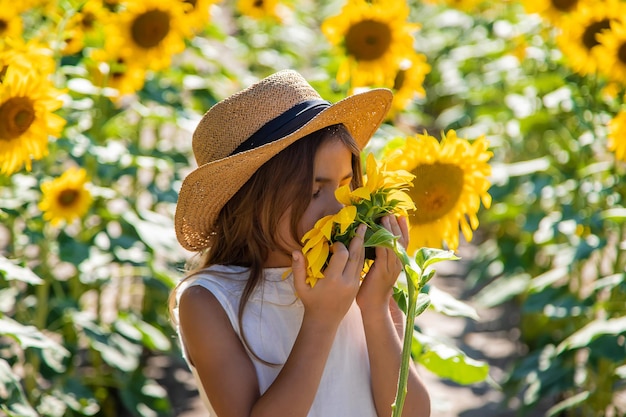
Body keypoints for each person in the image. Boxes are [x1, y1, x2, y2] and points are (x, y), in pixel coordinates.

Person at [170, 69, 430, 417]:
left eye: (346, 184)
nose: (339, 207)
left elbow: (411, 413)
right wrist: (322, 320)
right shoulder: (209, 301)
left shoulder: (360, 278)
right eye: (313, 191)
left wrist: (376, 307)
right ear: (249, 202)